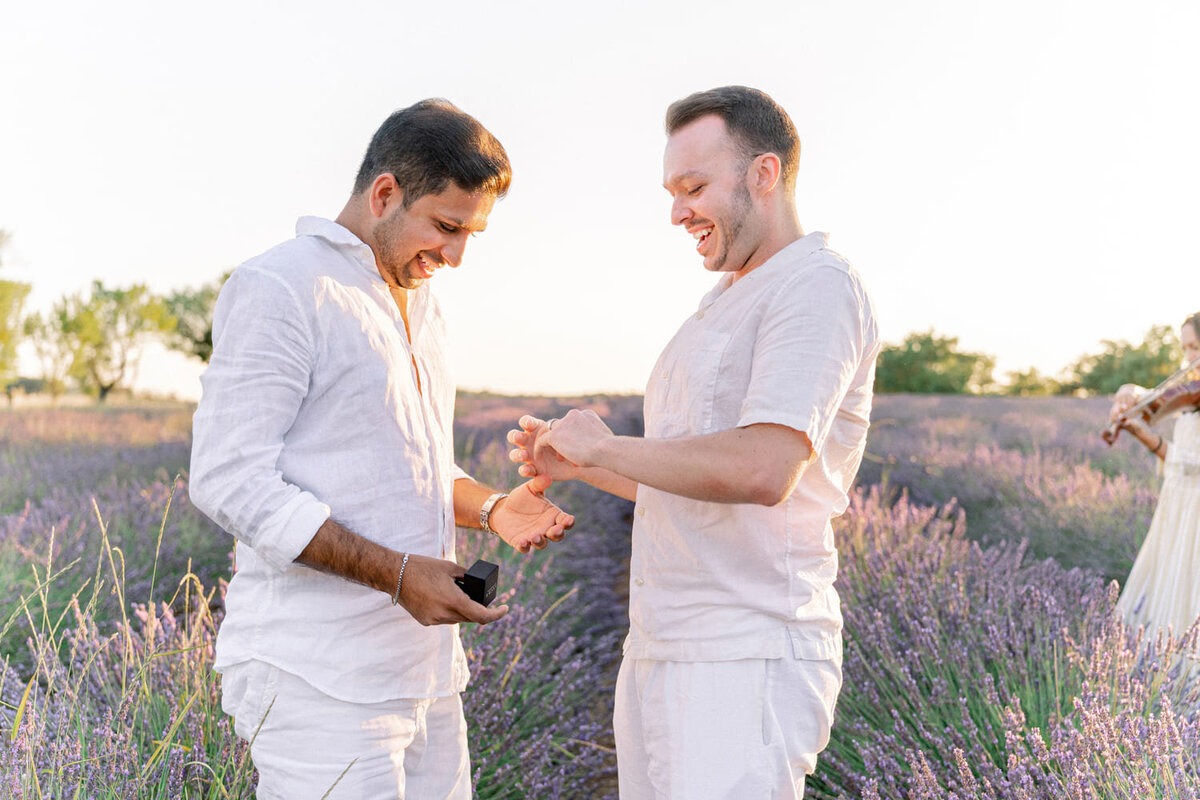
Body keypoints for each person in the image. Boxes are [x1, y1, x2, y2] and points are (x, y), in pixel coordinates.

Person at [189, 99, 575, 799]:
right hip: (319, 682)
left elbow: (408, 464)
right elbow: (227, 480)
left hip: (428, 677)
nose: (456, 256)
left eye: (471, 236)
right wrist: (396, 574)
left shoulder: (418, 300)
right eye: (447, 227)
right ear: (385, 193)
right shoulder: (283, 285)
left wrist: (493, 510)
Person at [508, 86, 879, 799]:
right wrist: (584, 467)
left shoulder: (815, 288)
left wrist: (608, 447)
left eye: (695, 187)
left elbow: (767, 467)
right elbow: (693, 485)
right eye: (672, 192)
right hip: (663, 648)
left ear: (764, 175)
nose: (678, 212)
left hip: (744, 656)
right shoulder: (721, 303)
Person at [1109, 312, 1200, 639]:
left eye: (1195, 346)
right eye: (1185, 349)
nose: (1189, 357)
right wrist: (1129, 389)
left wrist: (1149, 439)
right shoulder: (1193, 391)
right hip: (1177, 502)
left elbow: (1195, 463)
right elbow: (1155, 400)